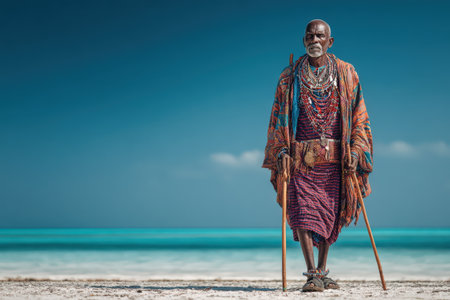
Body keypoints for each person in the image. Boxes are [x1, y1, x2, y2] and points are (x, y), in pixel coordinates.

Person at [262, 19, 373, 292]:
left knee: (328, 215)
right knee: (302, 214)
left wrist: (357, 151)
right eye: (310, 36)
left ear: (329, 42)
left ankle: (323, 271)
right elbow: (279, 119)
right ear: (304, 41)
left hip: (336, 160)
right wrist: (282, 151)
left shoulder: (347, 74)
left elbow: (360, 119)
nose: (315, 40)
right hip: (300, 159)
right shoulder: (289, 77)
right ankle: (311, 273)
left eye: (320, 36)